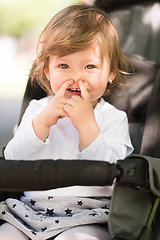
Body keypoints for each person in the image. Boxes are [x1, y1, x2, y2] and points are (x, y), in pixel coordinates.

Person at [0, 4, 133, 240]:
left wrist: (87, 125)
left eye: (90, 66)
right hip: (30, 211)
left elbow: (115, 176)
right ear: (48, 71)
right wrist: (42, 123)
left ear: (111, 72)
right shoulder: (38, 109)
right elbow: (12, 160)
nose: (76, 76)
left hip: (90, 215)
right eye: (64, 65)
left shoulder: (113, 118)